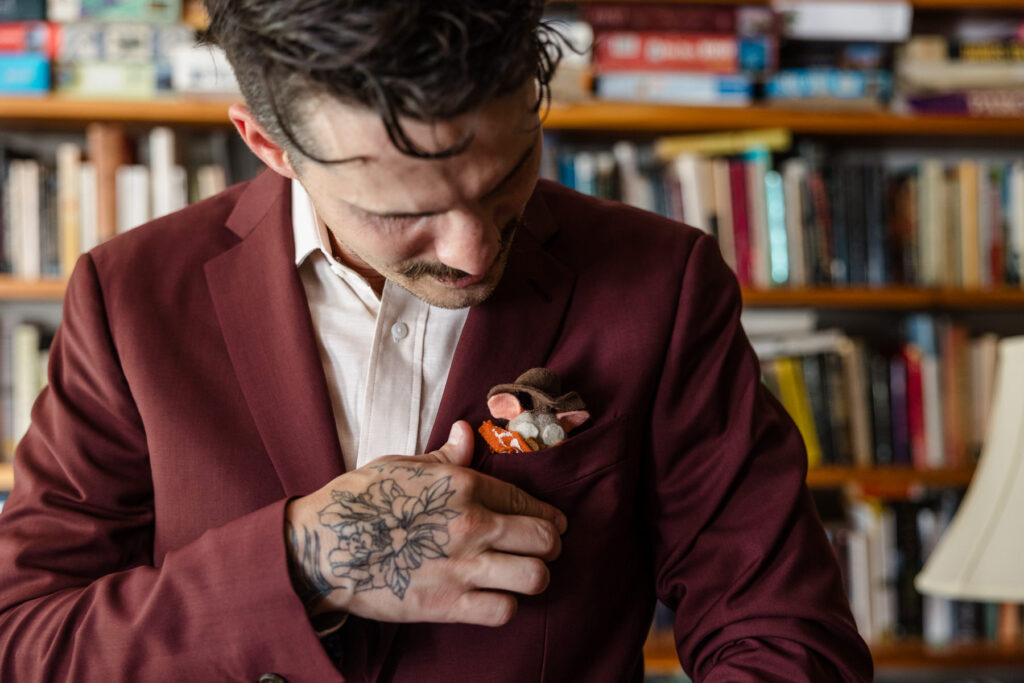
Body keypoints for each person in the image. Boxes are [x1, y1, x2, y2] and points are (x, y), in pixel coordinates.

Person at [0, 1, 873, 681]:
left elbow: (785, 634)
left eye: (507, 176)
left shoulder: (665, 281)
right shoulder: (130, 297)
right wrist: (308, 557)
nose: (475, 250)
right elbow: (24, 641)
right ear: (268, 144)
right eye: (401, 212)